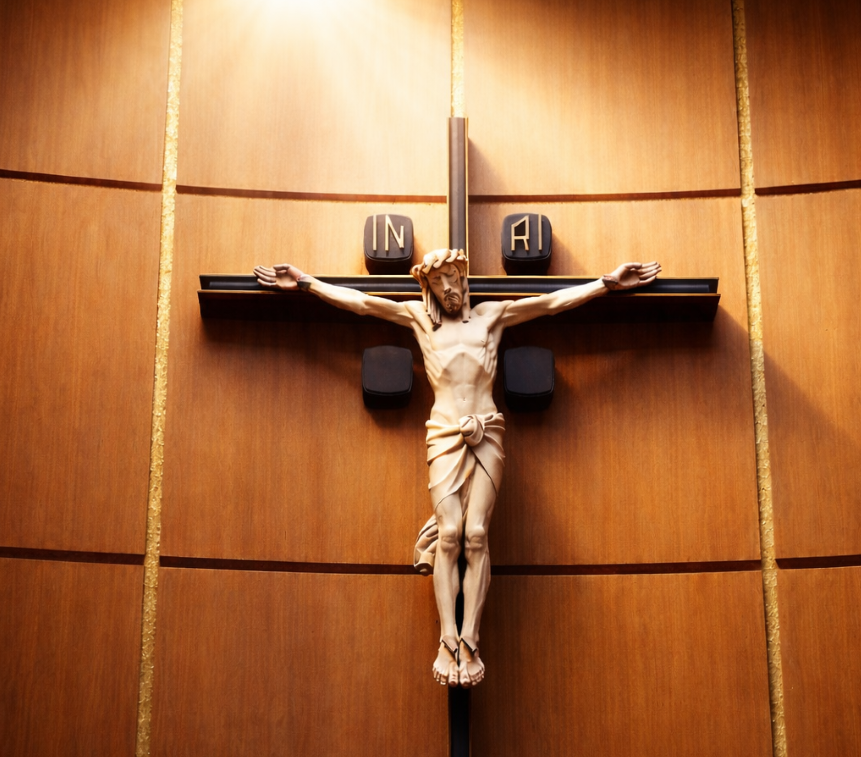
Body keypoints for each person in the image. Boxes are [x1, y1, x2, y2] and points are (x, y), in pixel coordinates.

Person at [255, 250, 660, 687]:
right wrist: (306, 283)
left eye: (452, 279)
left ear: (463, 277)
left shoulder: (493, 316)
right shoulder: (418, 319)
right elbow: (363, 303)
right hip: (444, 434)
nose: (447, 289)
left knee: (477, 534)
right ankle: (447, 639)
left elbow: (551, 303)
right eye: (437, 284)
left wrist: (606, 284)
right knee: (449, 534)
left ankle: (471, 639)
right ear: (427, 289)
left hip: (487, 431)